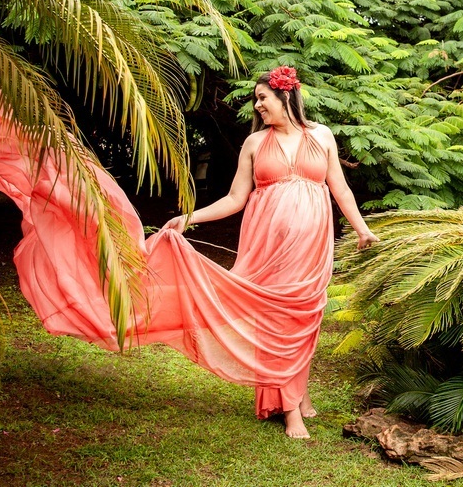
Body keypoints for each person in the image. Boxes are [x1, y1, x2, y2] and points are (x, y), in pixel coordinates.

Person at [160, 66, 378, 438]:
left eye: (263, 98)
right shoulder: (255, 144)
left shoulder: (321, 135)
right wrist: (189, 218)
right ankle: (290, 410)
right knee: (278, 321)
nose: (257, 105)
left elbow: (340, 189)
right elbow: (233, 199)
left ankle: (298, 392)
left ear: (285, 97)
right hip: (269, 248)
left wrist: (362, 229)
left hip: (311, 248)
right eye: (257, 99)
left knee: (304, 318)